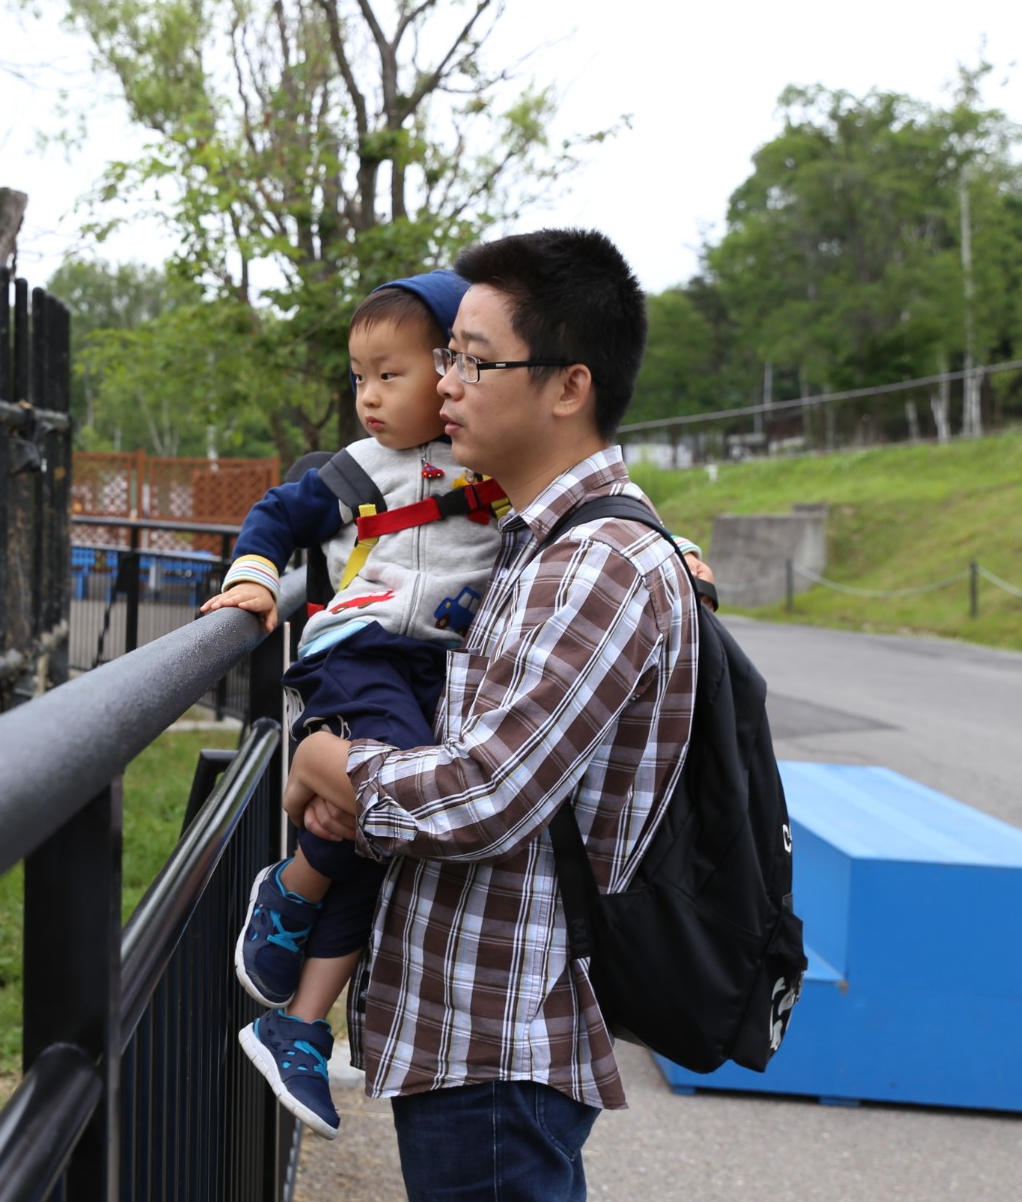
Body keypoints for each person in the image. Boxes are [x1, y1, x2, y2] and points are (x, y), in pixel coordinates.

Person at [204, 265, 709, 1148]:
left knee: (375, 810)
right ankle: (293, 913)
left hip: (500, 1031)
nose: (443, 385)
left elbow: (475, 796)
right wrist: (253, 576)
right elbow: (280, 517)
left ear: (566, 384)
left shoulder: (572, 537)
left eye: (462, 363)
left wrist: (323, 762)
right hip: (363, 650)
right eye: (446, 364)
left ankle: (299, 976)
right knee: (382, 795)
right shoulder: (374, 469)